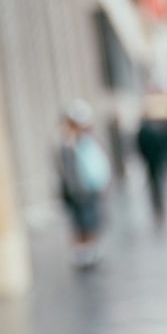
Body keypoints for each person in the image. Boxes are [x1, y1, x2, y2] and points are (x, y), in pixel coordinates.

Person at [55, 101, 110, 269]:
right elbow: (67, 171)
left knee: (90, 222)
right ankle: (83, 253)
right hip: (79, 191)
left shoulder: (86, 141)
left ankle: (89, 252)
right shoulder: (68, 144)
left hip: (88, 189)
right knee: (81, 222)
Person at [135, 93, 167, 224]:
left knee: (157, 184)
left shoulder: (151, 129)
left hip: (154, 161)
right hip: (154, 161)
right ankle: (158, 205)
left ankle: (159, 205)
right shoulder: (150, 129)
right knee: (156, 184)